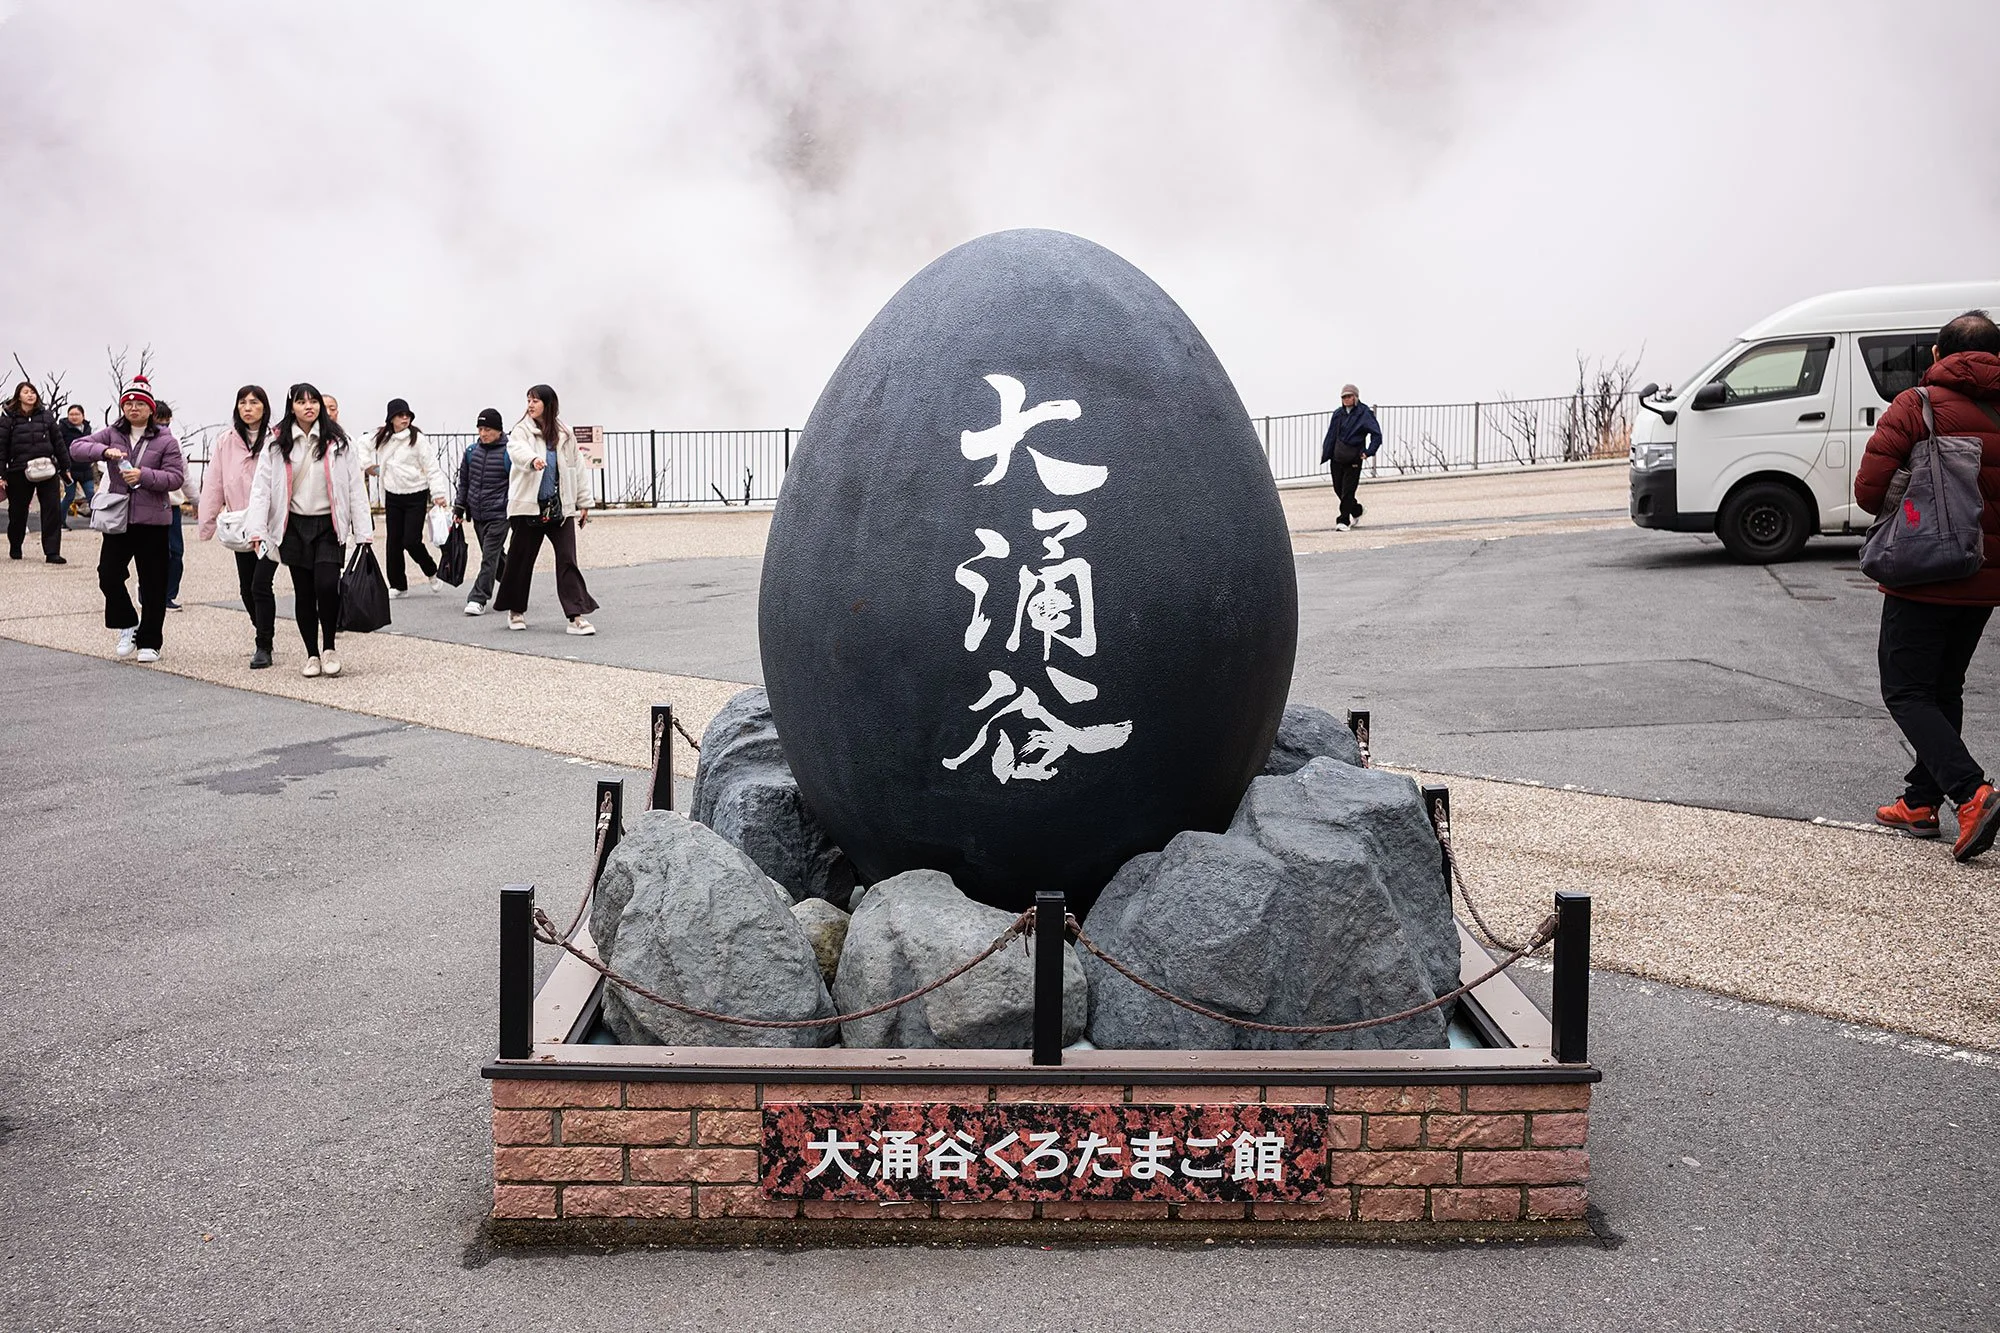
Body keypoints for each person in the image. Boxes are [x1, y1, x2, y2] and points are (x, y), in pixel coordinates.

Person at [1857, 310, 2000, 863]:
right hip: (1984, 575)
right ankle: (1920, 801)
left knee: (1906, 691)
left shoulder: (1916, 406)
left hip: (1923, 571)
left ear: (1939, 355)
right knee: (1944, 688)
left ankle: (1970, 793)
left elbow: (1870, 492)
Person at [244, 382, 374, 679]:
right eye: (301, 402)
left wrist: (363, 532)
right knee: (303, 592)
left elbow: (355, 487)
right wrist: (257, 529)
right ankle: (312, 654)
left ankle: (329, 647)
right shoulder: (277, 443)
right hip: (293, 525)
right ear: (292, 407)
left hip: (329, 524)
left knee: (327, 586)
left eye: (313, 401)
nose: (309, 406)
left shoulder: (339, 441)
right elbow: (262, 488)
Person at [67, 376, 185, 661]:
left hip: (153, 520)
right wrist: (104, 451)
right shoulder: (112, 432)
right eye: (128, 403)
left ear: (150, 408)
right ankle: (128, 623)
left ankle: (150, 641)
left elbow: (176, 477)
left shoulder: (166, 440)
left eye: (139, 404)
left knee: (153, 582)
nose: (133, 408)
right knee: (108, 574)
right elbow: (76, 448)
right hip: (118, 517)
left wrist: (143, 476)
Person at [493, 384, 596, 634]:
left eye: (536, 401)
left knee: (568, 560)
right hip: (528, 509)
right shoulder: (521, 430)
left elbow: (576, 468)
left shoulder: (565, 433)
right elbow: (517, 451)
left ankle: (576, 616)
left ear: (548, 404)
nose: (530, 405)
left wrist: (583, 503)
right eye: (528, 400)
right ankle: (516, 611)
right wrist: (533, 460)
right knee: (520, 560)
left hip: (559, 509)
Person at [198, 385, 279, 668]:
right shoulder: (225, 441)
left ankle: (263, 645)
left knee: (260, 584)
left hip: (269, 525)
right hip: (239, 524)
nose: (247, 407)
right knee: (246, 588)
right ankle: (262, 628)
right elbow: (214, 482)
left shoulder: (277, 440)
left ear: (264, 407)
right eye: (242, 402)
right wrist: (206, 523)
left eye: (254, 402)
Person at [369, 396, 447, 598]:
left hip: (415, 495)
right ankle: (398, 585)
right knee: (393, 542)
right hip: (393, 495)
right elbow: (361, 447)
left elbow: (432, 467)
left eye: (407, 415)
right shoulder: (383, 437)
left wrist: (438, 493)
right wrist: (368, 466)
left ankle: (431, 570)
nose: (405, 419)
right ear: (391, 418)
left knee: (411, 540)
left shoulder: (417, 439)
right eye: (400, 415)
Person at [1, 380, 71, 563]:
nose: (30, 395)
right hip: (18, 470)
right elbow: (1, 447)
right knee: (17, 512)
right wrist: (1, 474)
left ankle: (52, 552)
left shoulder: (46, 416)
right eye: (26, 392)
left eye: (33, 392)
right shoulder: (8, 418)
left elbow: (59, 442)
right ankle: (15, 545)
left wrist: (65, 467)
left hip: (47, 469)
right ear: (18, 396)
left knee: (52, 510)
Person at [455, 407, 512, 614]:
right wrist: (459, 508)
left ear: (498, 430)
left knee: (489, 556)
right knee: (495, 557)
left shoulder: (510, 452)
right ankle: (515, 584)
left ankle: (478, 598)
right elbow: (464, 483)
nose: (483, 433)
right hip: (478, 515)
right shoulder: (472, 452)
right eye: (480, 429)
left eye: (487, 429)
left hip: (500, 514)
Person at [1321, 383, 1382, 532]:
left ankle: (1343, 520)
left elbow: (1376, 435)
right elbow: (1331, 435)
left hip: (1354, 457)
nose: (1346, 399)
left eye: (1349, 396)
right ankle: (1356, 510)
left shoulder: (1364, 413)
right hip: (1337, 457)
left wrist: (1368, 452)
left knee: (1348, 490)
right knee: (1338, 489)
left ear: (1355, 397)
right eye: (1344, 397)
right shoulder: (1337, 414)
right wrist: (1326, 453)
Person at [155, 401, 187, 609]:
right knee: (154, 553)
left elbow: (186, 476)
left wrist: (200, 502)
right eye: (160, 422)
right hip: (147, 506)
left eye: (167, 423)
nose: (163, 427)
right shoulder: (137, 442)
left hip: (173, 504)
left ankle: (168, 594)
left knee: (176, 552)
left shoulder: (174, 443)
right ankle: (149, 591)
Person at [59, 403, 95, 517]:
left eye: (77, 414)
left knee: (91, 495)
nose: (74, 417)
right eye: (71, 414)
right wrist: (64, 467)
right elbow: (60, 448)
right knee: (69, 496)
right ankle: (60, 522)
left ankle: (97, 521)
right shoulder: (62, 429)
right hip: (68, 469)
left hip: (85, 468)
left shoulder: (87, 429)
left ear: (83, 416)